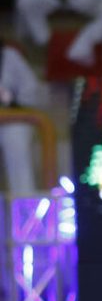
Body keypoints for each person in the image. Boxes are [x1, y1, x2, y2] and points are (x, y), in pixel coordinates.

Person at [0, 41, 48, 194]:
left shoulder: (9, 56)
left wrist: (11, 102)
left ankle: (25, 209)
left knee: (16, 140)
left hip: (12, 118)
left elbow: (31, 89)